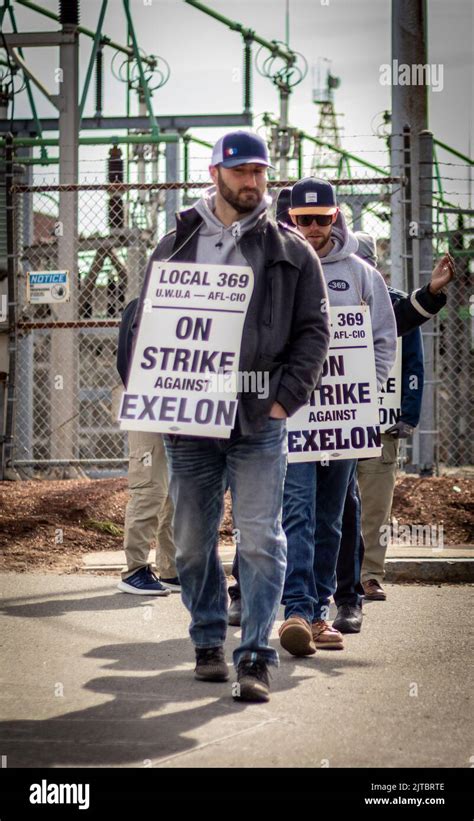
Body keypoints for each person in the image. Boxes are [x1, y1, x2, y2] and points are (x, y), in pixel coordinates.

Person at [127, 132, 330, 702]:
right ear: (215, 173)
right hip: (189, 421)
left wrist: (284, 400)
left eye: (261, 173)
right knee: (191, 543)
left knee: (262, 539)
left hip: (260, 418)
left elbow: (315, 332)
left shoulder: (292, 251)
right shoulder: (173, 245)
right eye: (242, 172)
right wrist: (153, 390)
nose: (253, 182)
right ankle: (208, 639)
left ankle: (256, 656)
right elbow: (142, 324)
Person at [278, 177, 397, 657]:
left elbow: (384, 336)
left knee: (331, 519)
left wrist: (366, 387)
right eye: (302, 220)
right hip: (293, 416)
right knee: (298, 513)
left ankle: (322, 609)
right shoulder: (275, 266)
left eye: (320, 219)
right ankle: (298, 611)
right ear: (290, 219)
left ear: (335, 217)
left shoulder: (361, 273)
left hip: (344, 418)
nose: (311, 228)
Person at [332, 235, 454, 627]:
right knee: (336, 502)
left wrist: (409, 412)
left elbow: (413, 363)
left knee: (375, 502)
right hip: (337, 420)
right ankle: (333, 576)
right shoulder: (325, 298)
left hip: (380, 421)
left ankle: (371, 575)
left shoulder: (396, 302)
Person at [115, 308, 179, 596]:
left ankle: (171, 568)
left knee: (174, 494)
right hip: (148, 405)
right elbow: (127, 361)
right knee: (150, 487)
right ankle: (135, 569)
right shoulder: (143, 305)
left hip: (180, 408)